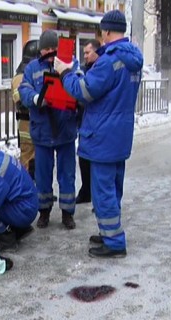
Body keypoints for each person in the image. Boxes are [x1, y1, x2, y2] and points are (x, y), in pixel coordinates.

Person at [53, 10, 143, 258]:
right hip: (120, 135)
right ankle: (109, 232)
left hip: (102, 134)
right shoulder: (132, 58)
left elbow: (83, 91)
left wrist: (65, 72)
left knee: (103, 190)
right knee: (113, 188)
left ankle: (113, 242)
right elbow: (107, 89)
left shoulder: (108, 61)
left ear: (106, 31)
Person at [19, 30, 79, 230]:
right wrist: (36, 98)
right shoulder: (32, 68)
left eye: (54, 48)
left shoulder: (70, 63)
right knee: (43, 175)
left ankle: (67, 213)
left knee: (67, 174)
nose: (50, 52)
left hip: (65, 130)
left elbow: (81, 83)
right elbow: (24, 89)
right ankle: (43, 212)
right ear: (41, 49)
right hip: (42, 131)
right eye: (47, 48)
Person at [76, 39, 101, 205]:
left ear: (97, 52)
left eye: (87, 52)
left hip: (97, 123)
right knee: (83, 158)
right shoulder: (83, 71)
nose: (84, 55)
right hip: (83, 121)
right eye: (83, 52)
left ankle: (99, 197)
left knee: (98, 162)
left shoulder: (100, 72)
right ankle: (86, 191)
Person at [11, 39, 38, 180]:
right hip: (26, 124)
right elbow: (21, 102)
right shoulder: (20, 77)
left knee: (38, 161)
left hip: (37, 124)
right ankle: (27, 192)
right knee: (28, 162)